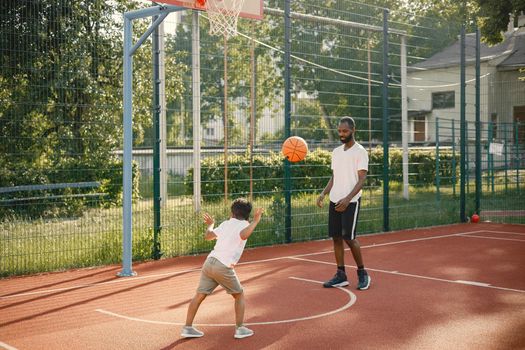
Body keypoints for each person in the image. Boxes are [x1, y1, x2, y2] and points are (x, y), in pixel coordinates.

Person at [181, 198, 264, 339]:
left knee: (199, 295)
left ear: (232, 212)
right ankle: (240, 329)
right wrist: (256, 221)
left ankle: (187, 327)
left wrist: (211, 225)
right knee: (239, 295)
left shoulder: (226, 223)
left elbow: (208, 236)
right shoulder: (245, 224)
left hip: (209, 262)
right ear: (247, 215)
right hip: (223, 266)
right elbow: (243, 235)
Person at [316, 116, 371, 290]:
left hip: (351, 201)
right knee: (336, 238)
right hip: (335, 200)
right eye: (339, 131)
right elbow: (335, 176)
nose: (341, 134)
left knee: (349, 237)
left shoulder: (360, 151)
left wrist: (348, 199)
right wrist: (324, 193)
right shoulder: (336, 152)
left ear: (353, 130)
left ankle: (363, 273)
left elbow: (362, 179)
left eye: (345, 131)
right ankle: (341, 274)